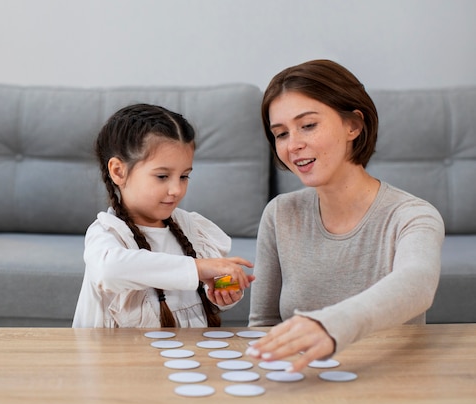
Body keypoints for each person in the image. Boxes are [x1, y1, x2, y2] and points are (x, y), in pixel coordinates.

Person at [245, 59, 445, 371]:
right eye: (281, 133)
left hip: (389, 381)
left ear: (353, 125)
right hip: (302, 383)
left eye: (308, 125)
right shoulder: (280, 214)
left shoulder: (412, 216)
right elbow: (263, 325)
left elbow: (417, 284)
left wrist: (330, 325)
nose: (293, 144)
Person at [72, 103, 254, 328]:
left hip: (185, 357)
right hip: (119, 360)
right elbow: (109, 271)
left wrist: (224, 289)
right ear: (118, 171)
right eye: (162, 176)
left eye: (184, 176)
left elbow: (204, 293)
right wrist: (198, 268)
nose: (176, 189)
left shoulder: (192, 229)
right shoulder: (107, 233)